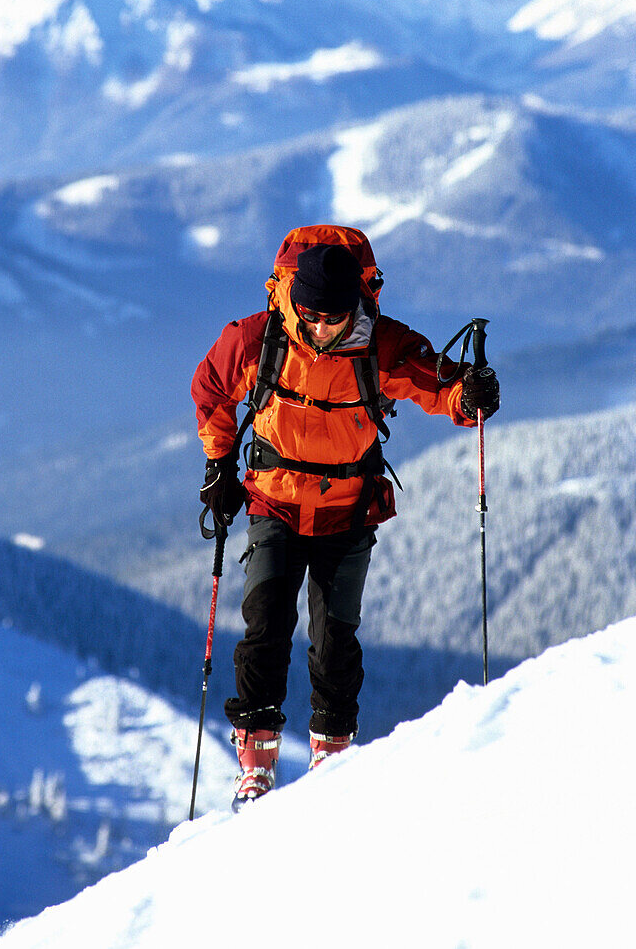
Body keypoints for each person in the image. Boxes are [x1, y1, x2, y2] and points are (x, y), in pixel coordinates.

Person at [191, 226, 499, 810]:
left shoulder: (380, 343)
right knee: (266, 624)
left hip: (347, 509)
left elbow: (434, 386)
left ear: (353, 305)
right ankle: (255, 766)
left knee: (334, 640)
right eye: (311, 316)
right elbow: (210, 387)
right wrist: (218, 462)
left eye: (332, 318)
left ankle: (332, 757)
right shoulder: (260, 337)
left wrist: (470, 396)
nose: (322, 329)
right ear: (295, 302)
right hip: (275, 501)